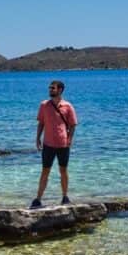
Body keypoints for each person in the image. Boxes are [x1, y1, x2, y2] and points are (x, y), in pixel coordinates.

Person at [31, 80, 78, 208]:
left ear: (60, 90)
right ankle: (38, 199)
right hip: (48, 144)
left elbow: (73, 125)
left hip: (63, 144)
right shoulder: (44, 105)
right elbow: (41, 123)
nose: (50, 90)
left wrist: (70, 139)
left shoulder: (68, 106)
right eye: (50, 88)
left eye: (53, 88)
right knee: (45, 171)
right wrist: (37, 138)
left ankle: (65, 197)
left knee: (63, 170)